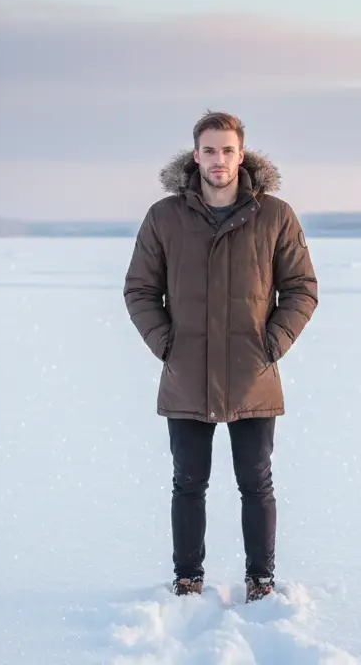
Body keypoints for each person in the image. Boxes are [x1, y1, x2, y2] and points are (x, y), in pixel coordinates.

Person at [123, 111, 318, 602]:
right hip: (187, 371)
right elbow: (140, 290)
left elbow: (301, 289)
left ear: (241, 154)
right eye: (209, 150)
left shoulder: (275, 215)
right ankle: (188, 578)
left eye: (227, 150)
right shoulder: (164, 217)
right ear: (195, 155)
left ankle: (261, 579)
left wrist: (271, 344)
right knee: (188, 483)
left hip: (252, 371)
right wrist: (167, 344)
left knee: (256, 482)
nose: (218, 160)